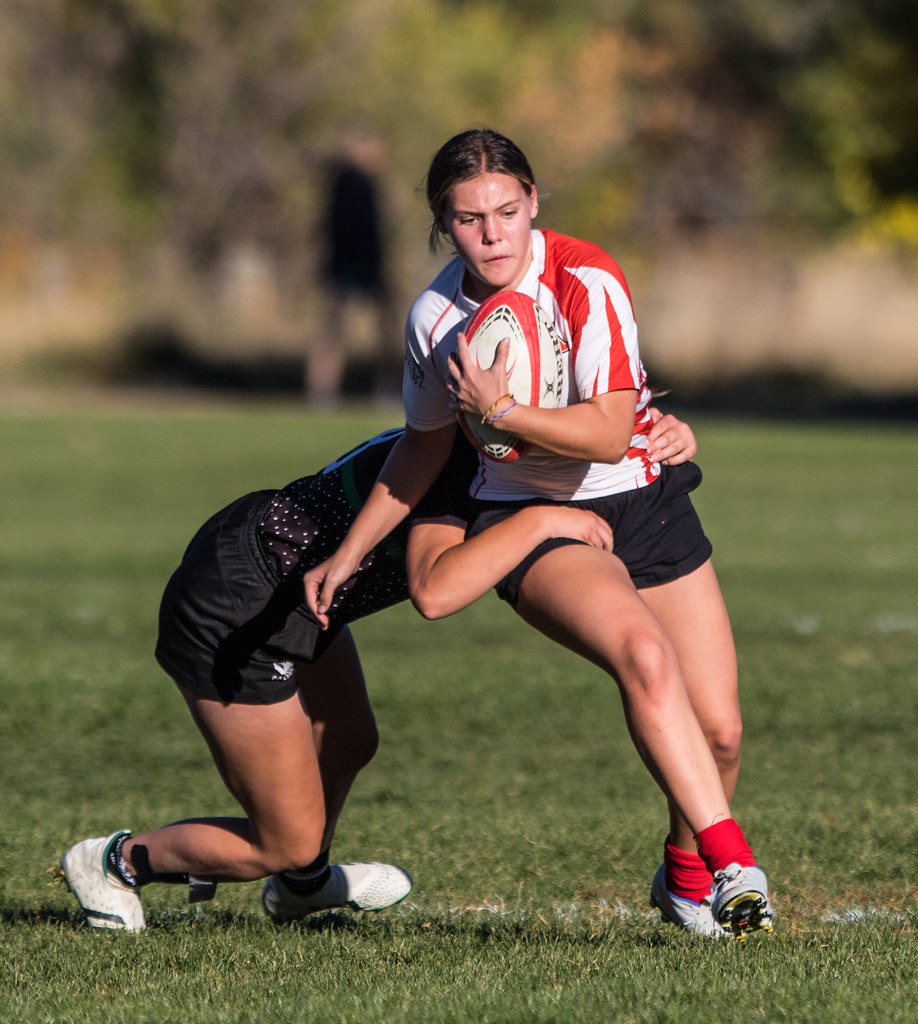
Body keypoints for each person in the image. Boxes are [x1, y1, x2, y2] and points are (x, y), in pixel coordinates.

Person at [306, 128, 774, 939]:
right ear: (440, 223)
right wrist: (348, 552)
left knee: (721, 732)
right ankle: (737, 865)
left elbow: (605, 433)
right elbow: (421, 447)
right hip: (532, 518)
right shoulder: (433, 315)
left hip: (641, 500)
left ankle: (686, 873)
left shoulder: (587, 276)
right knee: (643, 655)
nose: (492, 234)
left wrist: (500, 411)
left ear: (532, 204)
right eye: (467, 218)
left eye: (508, 211)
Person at [59, 414, 696, 931]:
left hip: (296, 592)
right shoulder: (462, 461)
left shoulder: (503, 445)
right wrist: (544, 521)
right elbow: (436, 592)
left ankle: (304, 889)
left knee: (350, 740)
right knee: (284, 840)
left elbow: (607, 434)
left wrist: (660, 431)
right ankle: (116, 863)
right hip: (240, 604)